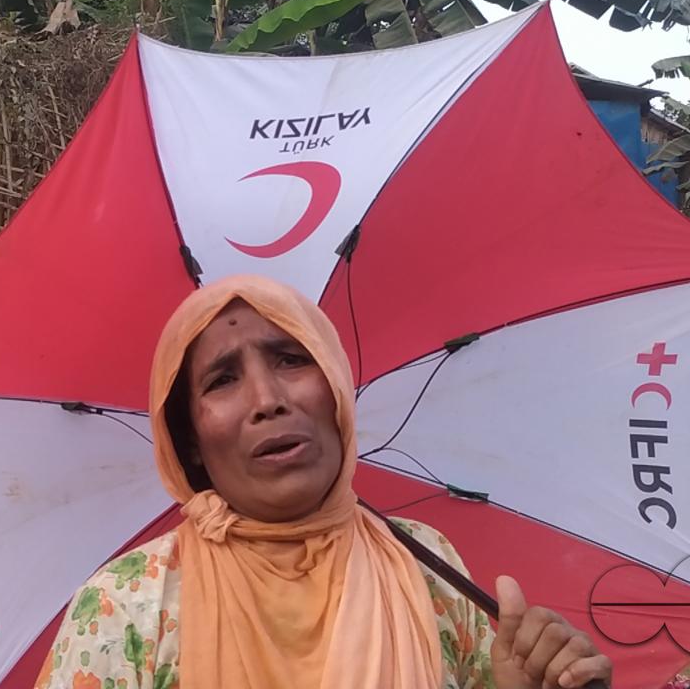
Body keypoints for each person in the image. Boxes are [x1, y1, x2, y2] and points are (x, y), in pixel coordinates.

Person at [35, 276, 611, 689]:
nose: (267, 399)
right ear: (189, 440)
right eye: (222, 380)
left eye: (290, 359)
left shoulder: (426, 565)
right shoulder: (127, 606)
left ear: (334, 388)